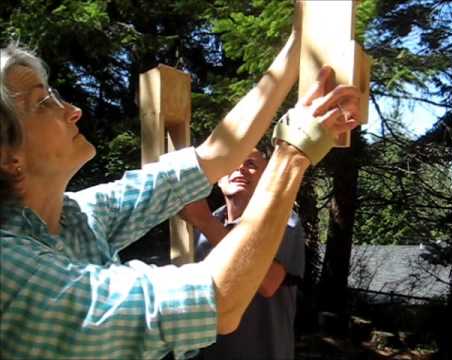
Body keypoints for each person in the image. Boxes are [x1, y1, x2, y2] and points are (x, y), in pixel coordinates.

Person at [0, 27, 361, 359]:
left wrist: (299, 41)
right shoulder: (9, 267)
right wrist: (293, 155)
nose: (73, 111)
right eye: (42, 103)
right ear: (6, 156)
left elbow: (212, 155)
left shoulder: (78, 215)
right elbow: (218, 300)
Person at [183, 147, 305, 360]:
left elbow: (268, 282)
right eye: (231, 164)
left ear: (265, 177)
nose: (240, 168)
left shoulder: (283, 220)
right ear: (219, 179)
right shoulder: (201, 228)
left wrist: (205, 222)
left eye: (250, 164)